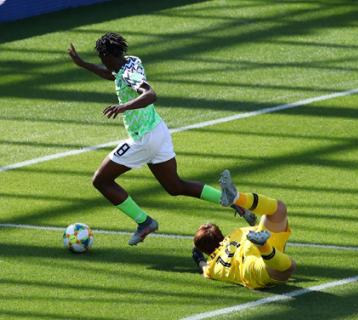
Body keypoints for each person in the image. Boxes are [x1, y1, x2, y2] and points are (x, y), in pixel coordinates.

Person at [68, 33, 248, 245]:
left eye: (101, 57)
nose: (102, 62)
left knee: (101, 180)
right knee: (175, 186)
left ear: (108, 55)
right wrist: (83, 64)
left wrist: (123, 107)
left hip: (144, 138)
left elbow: (150, 94)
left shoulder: (127, 75)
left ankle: (144, 222)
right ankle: (228, 199)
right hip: (159, 130)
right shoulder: (132, 61)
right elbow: (112, 75)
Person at [192, 170, 296, 289]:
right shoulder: (236, 233)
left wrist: (199, 259)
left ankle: (264, 247)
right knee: (279, 209)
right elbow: (262, 226)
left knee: (288, 268)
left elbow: (203, 267)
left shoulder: (212, 265)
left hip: (247, 268)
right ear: (220, 235)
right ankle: (237, 198)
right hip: (250, 242)